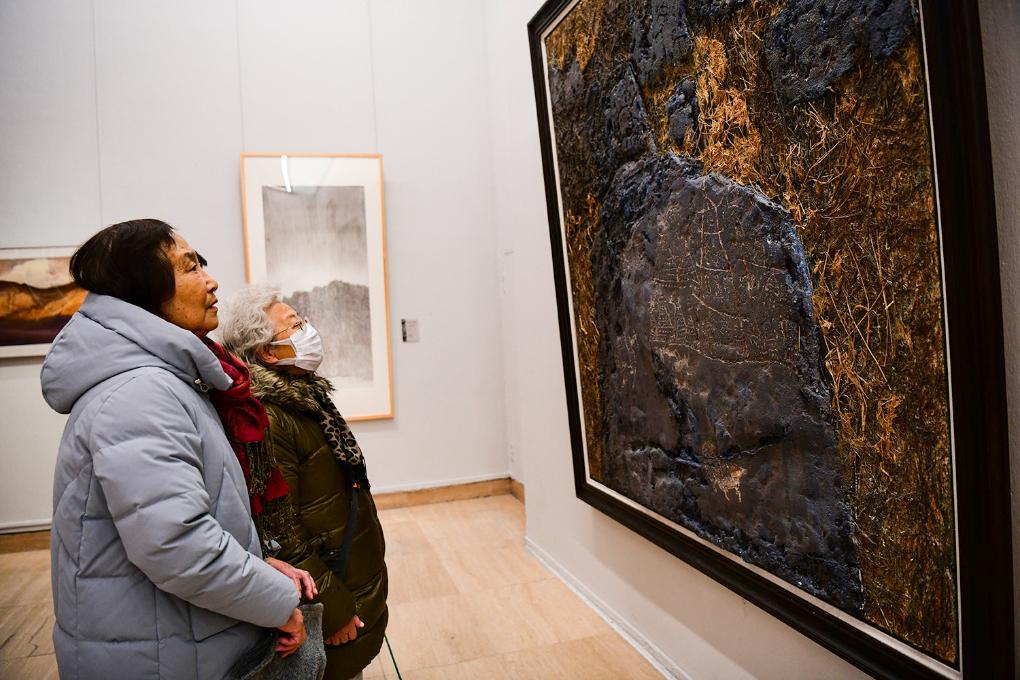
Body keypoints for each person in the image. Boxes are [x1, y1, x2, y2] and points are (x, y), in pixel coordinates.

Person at [42, 220, 317, 680]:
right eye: (191, 267)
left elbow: (177, 522)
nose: (211, 281)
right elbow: (178, 545)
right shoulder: (140, 394)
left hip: (172, 637)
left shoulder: (164, 381)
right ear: (143, 288)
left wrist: (253, 562)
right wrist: (276, 603)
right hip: (157, 655)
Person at [220, 284, 388, 680]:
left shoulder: (305, 396)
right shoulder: (269, 418)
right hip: (332, 594)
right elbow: (280, 530)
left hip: (350, 578)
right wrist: (334, 611)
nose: (308, 330)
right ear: (267, 352)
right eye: (295, 325)